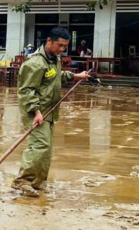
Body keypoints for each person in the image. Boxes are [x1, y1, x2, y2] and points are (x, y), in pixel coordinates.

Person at [13, 27, 89, 197]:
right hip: (35, 111)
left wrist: (77, 76)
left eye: (65, 46)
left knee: (46, 148)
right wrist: (36, 111)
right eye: (59, 45)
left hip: (49, 111)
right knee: (39, 145)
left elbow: (56, 76)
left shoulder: (54, 59)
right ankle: (22, 182)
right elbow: (26, 90)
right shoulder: (35, 63)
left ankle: (38, 182)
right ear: (49, 41)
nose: (62, 49)